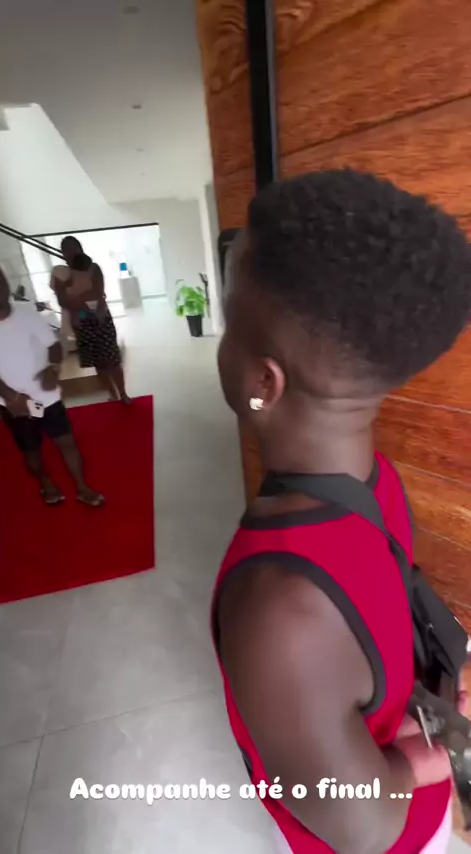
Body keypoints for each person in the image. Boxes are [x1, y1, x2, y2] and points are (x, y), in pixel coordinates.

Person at [213, 170, 471, 854]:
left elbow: (364, 828)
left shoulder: (278, 606)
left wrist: (425, 758)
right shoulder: (375, 480)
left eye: (229, 318)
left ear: (262, 381)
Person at [0, 259, 104, 507]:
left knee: (67, 443)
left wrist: (53, 368)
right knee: (31, 451)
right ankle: (46, 483)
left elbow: (53, 345)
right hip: (13, 405)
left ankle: (82, 488)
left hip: (46, 396)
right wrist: (11, 398)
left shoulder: (26, 311)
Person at [52, 236, 130, 404]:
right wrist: (83, 300)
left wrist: (75, 300)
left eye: (73, 248)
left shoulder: (93, 268)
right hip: (81, 322)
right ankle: (112, 394)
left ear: (80, 249)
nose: (70, 252)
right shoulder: (60, 274)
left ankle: (123, 394)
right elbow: (63, 302)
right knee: (98, 363)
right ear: (62, 253)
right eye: (66, 249)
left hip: (101, 319)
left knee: (112, 360)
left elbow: (97, 293)